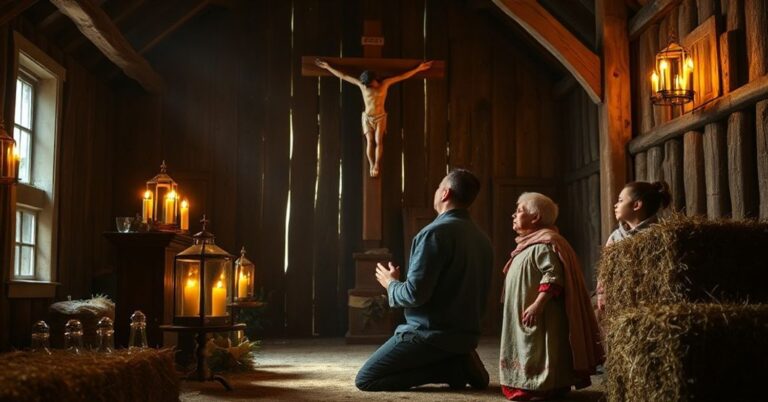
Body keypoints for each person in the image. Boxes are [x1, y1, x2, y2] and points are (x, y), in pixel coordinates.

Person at [355, 168, 494, 391]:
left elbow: (414, 295)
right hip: (466, 337)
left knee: (366, 379)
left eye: (439, 186)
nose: (437, 191)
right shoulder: (482, 238)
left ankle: (452, 369)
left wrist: (391, 283)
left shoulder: (435, 233)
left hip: (430, 335)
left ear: (445, 193)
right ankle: (457, 360)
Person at [499, 192, 603, 401]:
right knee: (524, 345)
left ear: (536, 217)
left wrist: (538, 304)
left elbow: (553, 277)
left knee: (538, 347)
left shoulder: (546, 244)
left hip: (541, 313)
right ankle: (524, 382)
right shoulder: (526, 245)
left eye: (519, 211)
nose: (513, 215)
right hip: (521, 312)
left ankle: (542, 385)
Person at [314, 58, 433, 177]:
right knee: (370, 141)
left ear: (374, 80)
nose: (368, 86)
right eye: (367, 85)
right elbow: (344, 76)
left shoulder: (385, 84)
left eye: (370, 84)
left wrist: (418, 69)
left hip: (380, 116)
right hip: (367, 117)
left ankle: (376, 164)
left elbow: (403, 76)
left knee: (378, 141)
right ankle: (371, 164)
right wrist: (328, 67)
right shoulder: (363, 86)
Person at [595, 181, 672, 313]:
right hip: (620, 304)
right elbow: (605, 271)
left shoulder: (659, 234)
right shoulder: (615, 237)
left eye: (620, 200)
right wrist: (601, 294)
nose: (615, 205)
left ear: (636, 205)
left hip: (651, 305)